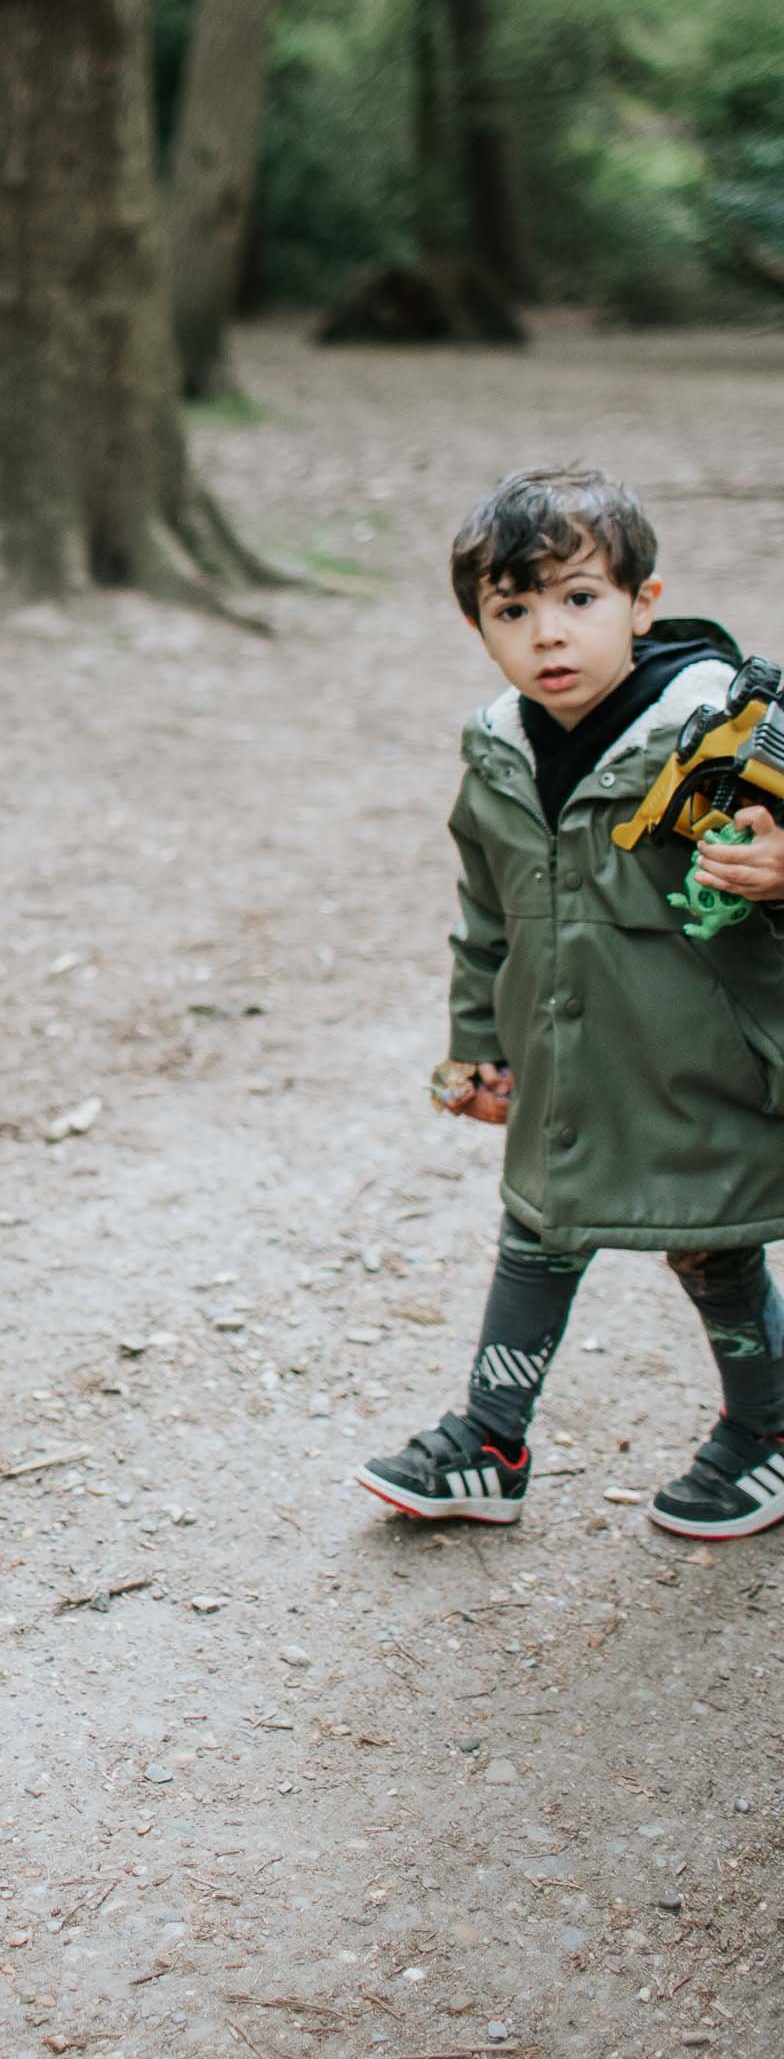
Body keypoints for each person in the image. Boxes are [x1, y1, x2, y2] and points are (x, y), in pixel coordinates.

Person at [358, 465, 784, 1541]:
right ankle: (489, 1442)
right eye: (513, 608)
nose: (548, 633)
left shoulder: (728, 735)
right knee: (537, 1228)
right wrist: (473, 1044)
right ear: (477, 625)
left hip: (701, 1065)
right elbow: (484, 910)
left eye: (578, 598)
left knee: (711, 1243)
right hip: (565, 1062)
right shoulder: (497, 748)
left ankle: (767, 1430)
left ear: (642, 602)